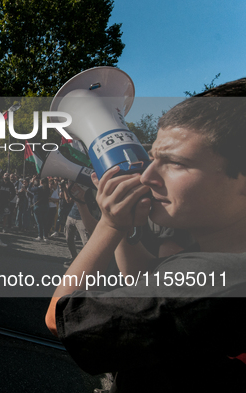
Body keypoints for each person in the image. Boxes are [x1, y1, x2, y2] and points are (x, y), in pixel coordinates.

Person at [46, 79, 246, 392]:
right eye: (154, 159)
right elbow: (141, 275)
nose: (148, 175)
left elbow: (61, 316)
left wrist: (109, 226)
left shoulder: (210, 278)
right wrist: (125, 226)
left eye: (176, 163)